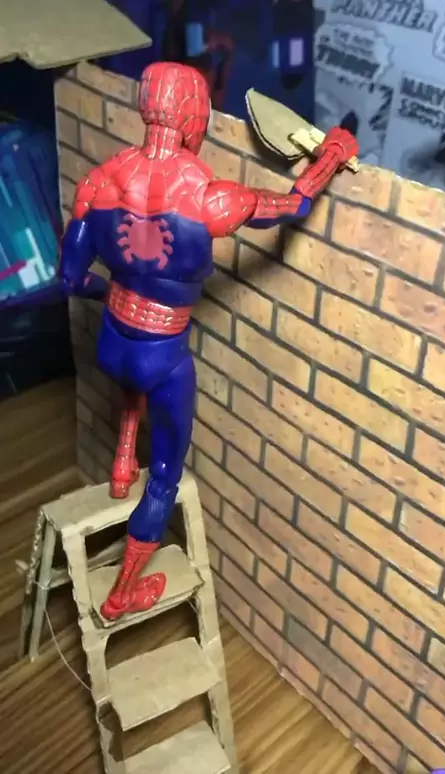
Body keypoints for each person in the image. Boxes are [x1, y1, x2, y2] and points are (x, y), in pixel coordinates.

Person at [60, 61, 358, 621]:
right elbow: (295, 204)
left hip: (112, 342)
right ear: (194, 114)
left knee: (131, 373)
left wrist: (115, 295)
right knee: (166, 475)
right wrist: (331, 157)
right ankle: (121, 596)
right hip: (162, 353)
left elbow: (72, 280)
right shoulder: (213, 199)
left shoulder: (97, 183)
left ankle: (122, 464)